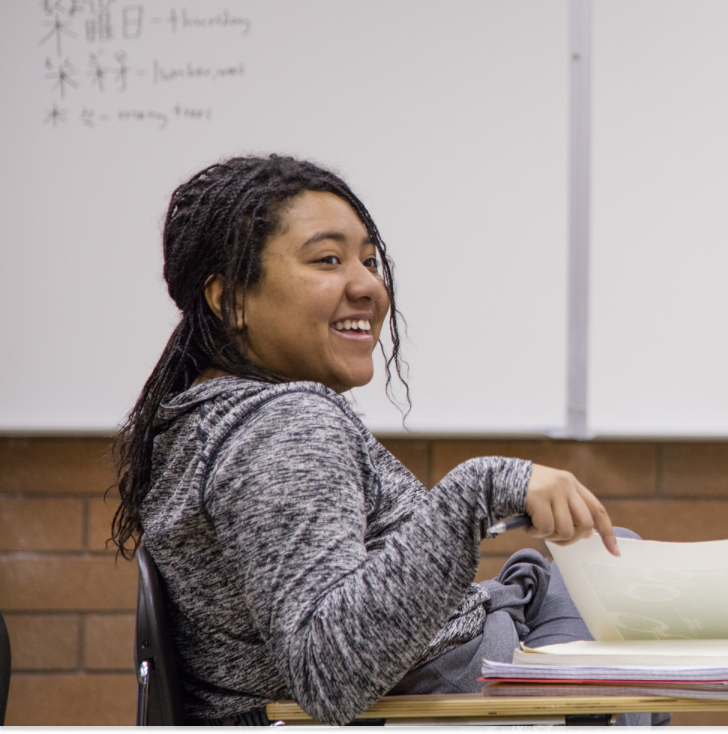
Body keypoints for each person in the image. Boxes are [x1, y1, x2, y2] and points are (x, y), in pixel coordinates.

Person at [109, 155, 633, 725]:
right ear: (230, 298)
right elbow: (330, 672)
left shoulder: (209, 418)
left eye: (369, 261)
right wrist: (475, 491)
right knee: (627, 590)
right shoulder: (288, 427)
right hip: (452, 708)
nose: (368, 286)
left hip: (463, 675)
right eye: (328, 260)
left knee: (608, 563)